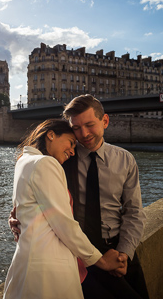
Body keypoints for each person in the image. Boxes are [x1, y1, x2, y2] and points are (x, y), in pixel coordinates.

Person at [11, 94, 148, 299]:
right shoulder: (61, 158)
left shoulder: (125, 160)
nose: (83, 134)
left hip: (116, 248)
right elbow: (35, 194)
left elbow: (134, 212)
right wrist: (17, 216)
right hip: (78, 252)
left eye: (90, 125)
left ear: (105, 121)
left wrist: (124, 253)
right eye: (76, 128)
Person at [4, 119, 125, 299]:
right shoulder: (45, 163)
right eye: (70, 142)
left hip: (27, 263)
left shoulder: (23, 162)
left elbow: (26, 209)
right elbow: (64, 224)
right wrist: (102, 261)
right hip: (48, 269)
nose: (73, 151)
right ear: (51, 135)